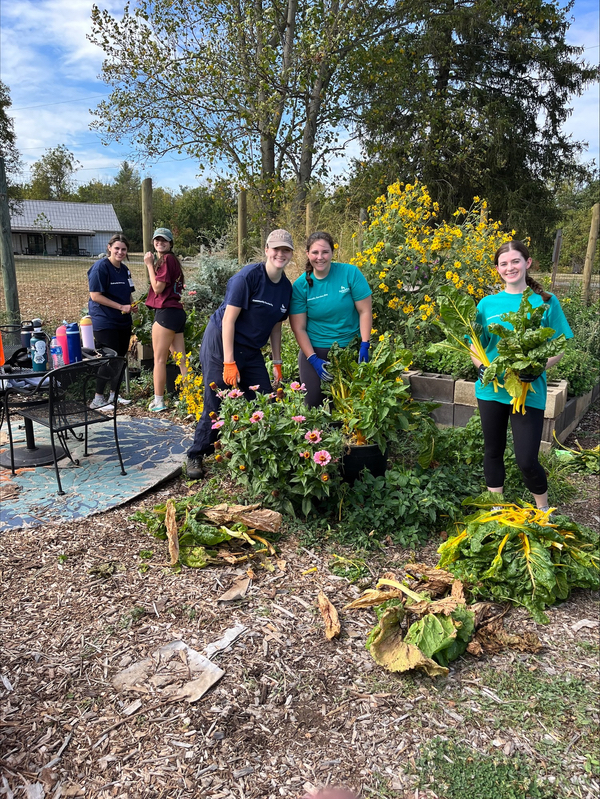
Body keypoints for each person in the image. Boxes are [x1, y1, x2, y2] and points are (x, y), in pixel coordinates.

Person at [471, 240, 573, 511]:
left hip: (529, 390)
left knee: (527, 460)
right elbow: (475, 344)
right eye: (503, 263)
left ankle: (543, 510)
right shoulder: (487, 304)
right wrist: (480, 366)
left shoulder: (546, 301)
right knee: (493, 451)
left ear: (527, 263)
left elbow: (560, 345)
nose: (510, 267)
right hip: (492, 388)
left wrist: (538, 366)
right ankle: (497, 510)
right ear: (497, 269)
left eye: (515, 261)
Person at [186, 229, 295, 480]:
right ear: (267, 250)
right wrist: (229, 361)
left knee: (264, 397)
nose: (280, 254)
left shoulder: (285, 288)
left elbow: (276, 326)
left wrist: (276, 362)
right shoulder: (247, 278)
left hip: (252, 347)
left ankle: (256, 451)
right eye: (275, 249)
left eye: (285, 250)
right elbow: (228, 321)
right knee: (216, 397)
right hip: (222, 341)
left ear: (290, 254)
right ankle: (196, 453)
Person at [289, 231, 373, 407]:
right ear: (307, 254)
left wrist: (364, 344)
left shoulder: (350, 273)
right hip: (315, 351)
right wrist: (313, 360)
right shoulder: (300, 286)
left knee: (350, 407)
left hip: (349, 350)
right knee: (314, 406)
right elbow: (299, 328)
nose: (320, 257)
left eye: (325, 252)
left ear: (333, 252)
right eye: (315, 253)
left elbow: (364, 311)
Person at [87, 233, 135, 408]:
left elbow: (128, 293)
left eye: (123, 249)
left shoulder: (124, 270)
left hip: (122, 321)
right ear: (109, 248)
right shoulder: (100, 268)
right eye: (117, 248)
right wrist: (121, 307)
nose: (120, 252)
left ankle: (114, 395)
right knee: (108, 359)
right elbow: (95, 296)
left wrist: (131, 305)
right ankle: (98, 398)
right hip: (105, 321)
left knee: (120, 359)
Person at [144, 228, 188, 412]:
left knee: (160, 360)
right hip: (176, 313)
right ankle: (189, 396)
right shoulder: (172, 261)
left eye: (164, 240)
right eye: (157, 239)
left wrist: (148, 264)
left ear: (170, 244)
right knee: (181, 360)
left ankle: (159, 401)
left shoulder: (166, 260)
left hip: (166, 313)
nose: (160, 242)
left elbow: (158, 288)